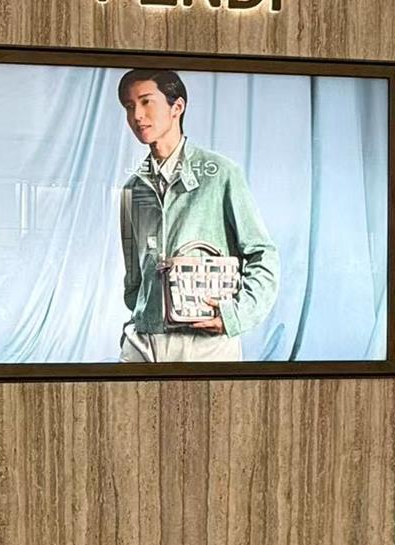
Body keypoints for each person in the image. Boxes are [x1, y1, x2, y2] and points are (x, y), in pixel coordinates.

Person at [117, 68, 279, 363]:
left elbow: (263, 255)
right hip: (142, 341)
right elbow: (133, 275)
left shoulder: (221, 174)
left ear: (177, 107)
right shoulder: (132, 189)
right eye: (129, 106)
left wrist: (234, 315)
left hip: (205, 343)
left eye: (146, 101)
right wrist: (142, 312)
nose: (137, 115)